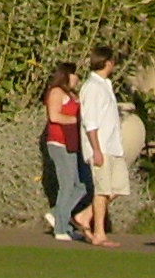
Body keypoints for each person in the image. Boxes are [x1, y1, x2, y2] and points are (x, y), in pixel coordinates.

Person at [79, 49, 127, 248]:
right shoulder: (92, 87)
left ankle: (85, 215)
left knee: (119, 187)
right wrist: (96, 149)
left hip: (113, 146)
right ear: (107, 62)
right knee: (102, 189)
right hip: (101, 147)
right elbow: (90, 122)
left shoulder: (105, 85)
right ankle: (99, 233)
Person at [42, 62, 89, 241]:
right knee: (67, 185)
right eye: (75, 75)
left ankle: (57, 214)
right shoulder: (56, 92)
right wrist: (76, 121)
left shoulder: (73, 95)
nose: (77, 79)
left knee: (80, 186)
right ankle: (61, 228)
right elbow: (54, 116)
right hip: (59, 143)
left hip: (72, 144)